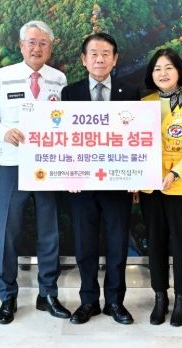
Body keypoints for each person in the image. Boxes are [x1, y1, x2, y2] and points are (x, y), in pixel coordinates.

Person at [0, 20, 70, 324]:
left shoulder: (58, 79)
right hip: (13, 163)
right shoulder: (3, 76)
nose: (37, 48)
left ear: (50, 47)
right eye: (31, 42)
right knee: (9, 231)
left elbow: (66, 120)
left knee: (49, 232)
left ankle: (48, 294)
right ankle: (7, 297)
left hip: (48, 164)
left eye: (43, 43)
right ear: (21, 46)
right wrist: (3, 132)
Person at [61, 33, 140, 325]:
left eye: (106, 53)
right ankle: (88, 302)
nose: (99, 59)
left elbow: (137, 137)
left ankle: (115, 302)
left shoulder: (130, 91)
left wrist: (136, 175)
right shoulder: (70, 93)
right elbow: (63, 138)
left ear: (115, 59)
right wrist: (69, 173)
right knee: (85, 246)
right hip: (81, 183)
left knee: (117, 244)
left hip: (118, 182)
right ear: (84, 59)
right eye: (93, 53)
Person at [140, 48, 182, 327]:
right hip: (150, 187)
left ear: (179, 72)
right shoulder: (143, 104)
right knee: (155, 242)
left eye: (169, 67)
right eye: (157, 68)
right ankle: (160, 297)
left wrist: (175, 173)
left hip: (181, 185)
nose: (163, 73)